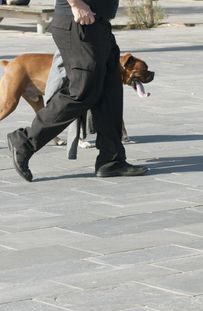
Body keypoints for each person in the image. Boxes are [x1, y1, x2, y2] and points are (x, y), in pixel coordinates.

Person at [7, 0, 148, 181]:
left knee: (110, 93)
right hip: (80, 21)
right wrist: (76, 4)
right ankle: (25, 141)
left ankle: (111, 160)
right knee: (82, 92)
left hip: (98, 24)